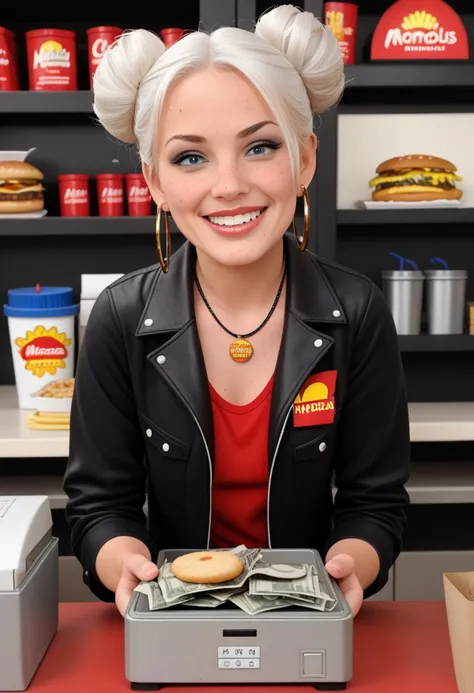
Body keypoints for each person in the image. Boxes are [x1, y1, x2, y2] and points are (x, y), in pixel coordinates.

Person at [63, 4, 410, 618]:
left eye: (260, 147)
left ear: (304, 159)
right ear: (155, 182)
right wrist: (124, 564)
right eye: (190, 157)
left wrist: (353, 562)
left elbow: (375, 503)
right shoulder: (118, 318)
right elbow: (100, 506)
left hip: (309, 618)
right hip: (169, 620)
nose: (228, 186)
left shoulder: (357, 310)